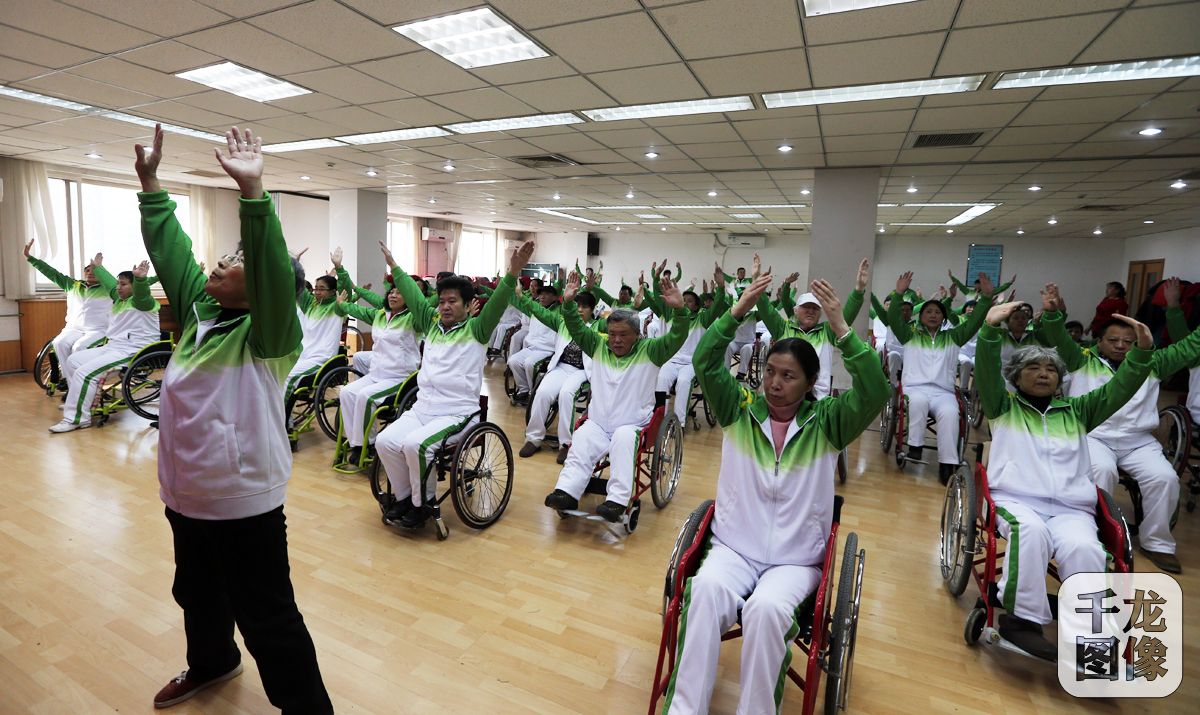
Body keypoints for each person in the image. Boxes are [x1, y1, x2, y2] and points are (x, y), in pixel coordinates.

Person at [135, 124, 332, 711]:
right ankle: (212, 662)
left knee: (267, 616)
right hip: (186, 492)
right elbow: (171, 252)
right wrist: (152, 188)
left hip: (243, 499)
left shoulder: (270, 334)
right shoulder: (200, 317)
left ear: (266, 288)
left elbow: (272, 269)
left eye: (236, 261)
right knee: (195, 591)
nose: (220, 264)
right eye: (223, 256)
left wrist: (255, 197)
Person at [663, 273, 889, 714]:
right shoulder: (739, 409)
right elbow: (706, 361)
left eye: (788, 376)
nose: (774, 382)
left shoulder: (828, 422)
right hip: (734, 548)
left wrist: (842, 329)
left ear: (810, 383)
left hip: (794, 560)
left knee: (767, 612)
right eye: (769, 371)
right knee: (705, 591)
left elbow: (875, 391)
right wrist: (736, 311)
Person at [976, 300, 1154, 659]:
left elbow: (1120, 388)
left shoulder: (1077, 411)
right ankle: (1021, 622)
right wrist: (990, 330)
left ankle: (1090, 638)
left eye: (1051, 369)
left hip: (1073, 508)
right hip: (1016, 501)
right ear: (1015, 375)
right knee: (1031, 533)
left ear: (1060, 379)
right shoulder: (1003, 406)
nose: (1044, 373)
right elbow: (985, 371)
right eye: (1033, 367)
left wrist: (1143, 352)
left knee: (1086, 549)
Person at [1042, 282, 1200, 574]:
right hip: (1093, 435)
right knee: (1102, 471)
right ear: (1098, 342)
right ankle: (1098, 535)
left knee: (1164, 477)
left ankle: (1157, 543)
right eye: (1113, 340)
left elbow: (1190, 346)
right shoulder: (1082, 359)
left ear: (1141, 342)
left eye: (1129, 342)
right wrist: (1053, 314)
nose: (1120, 346)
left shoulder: (1153, 362)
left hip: (1138, 440)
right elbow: (1059, 339)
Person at [375, 239, 533, 529]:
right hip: (423, 408)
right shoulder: (431, 323)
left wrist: (513, 272)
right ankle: (406, 497)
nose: (446, 306)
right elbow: (413, 295)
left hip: (458, 412)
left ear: (467, 304)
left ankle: (423, 506)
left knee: (416, 446)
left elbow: (498, 303)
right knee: (385, 441)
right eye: (443, 301)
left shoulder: (477, 329)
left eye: (453, 301)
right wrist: (394, 266)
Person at [543, 271, 690, 522]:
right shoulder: (598, 345)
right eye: (612, 334)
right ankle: (566, 491)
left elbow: (677, 336)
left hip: (632, 424)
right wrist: (567, 303)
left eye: (623, 335)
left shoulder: (652, 350)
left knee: (622, 440)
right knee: (582, 437)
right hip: (599, 422)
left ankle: (617, 501)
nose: (617, 340)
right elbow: (576, 327)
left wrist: (680, 312)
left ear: (637, 335)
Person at [888, 271, 994, 483]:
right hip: (914, 388)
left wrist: (986, 299)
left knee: (950, 414)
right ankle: (915, 446)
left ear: (944, 317)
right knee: (917, 402)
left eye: (938, 312)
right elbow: (893, 317)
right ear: (921, 316)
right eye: (928, 311)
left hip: (943, 391)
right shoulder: (910, 335)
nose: (933, 314)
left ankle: (947, 464)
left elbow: (974, 322)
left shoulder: (954, 337)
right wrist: (898, 293)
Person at [330, 246, 423, 468]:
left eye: (399, 292)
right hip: (378, 373)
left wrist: (393, 264)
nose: (393, 294)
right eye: (391, 291)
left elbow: (421, 301)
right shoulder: (381, 315)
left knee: (366, 398)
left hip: (400, 377)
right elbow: (354, 308)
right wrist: (340, 271)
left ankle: (366, 446)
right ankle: (354, 442)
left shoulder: (415, 318)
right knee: (348, 393)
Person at [51, 260, 161, 432]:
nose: (118, 287)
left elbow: (142, 293)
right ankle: (84, 402)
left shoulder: (144, 302)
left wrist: (140, 280)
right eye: (118, 284)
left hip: (134, 350)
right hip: (114, 347)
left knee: (84, 373)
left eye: (124, 284)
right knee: (73, 360)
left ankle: (77, 419)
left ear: (134, 287)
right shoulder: (119, 299)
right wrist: (98, 268)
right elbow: (110, 283)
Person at [755, 258, 869, 399]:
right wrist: (757, 283)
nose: (810, 311)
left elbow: (845, 318)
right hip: (784, 396)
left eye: (815, 308)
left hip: (817, 400)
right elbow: (765, 308)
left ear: (820, 313)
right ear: (796, 311)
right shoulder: (782, 328)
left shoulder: (827, 332)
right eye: (806, 307)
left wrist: (859, 290)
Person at [516, 287, 605, 462]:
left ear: (592, 310)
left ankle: (566, 444)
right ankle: (533, 439)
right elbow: (540, 312)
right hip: (561, 367)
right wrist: (521, 296)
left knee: (566, 394)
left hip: (582, 371)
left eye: (584, 307)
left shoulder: (597, 326)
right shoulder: (563, 322)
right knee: (542, 393)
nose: (579, 310)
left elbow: (616, 323)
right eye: (576, 305)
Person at [24, 241, 114, 385]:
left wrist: (101, 268)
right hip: (74, 328)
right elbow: (51, 273)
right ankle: (71, 382)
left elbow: (119, 283)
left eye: (95, 271)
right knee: (59, 343)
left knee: (79, 347)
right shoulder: (72, 285)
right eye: (88, 271)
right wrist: (31, 258)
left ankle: (82, 382)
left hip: (98, 330)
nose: (91, 273)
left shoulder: (109, 289)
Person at [649, 265, 728, 427]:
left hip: (691, 363)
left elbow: (719, 305)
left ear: (697, 306)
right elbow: (658, 296)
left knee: (684, 382)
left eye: (689, 301)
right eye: (683, 300)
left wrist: (721, 287)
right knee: (662, 379)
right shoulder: (673, 316)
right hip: (671, 360)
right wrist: (655, 278)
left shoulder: (703, 319)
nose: (685, 303)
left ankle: (679, 424)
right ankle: (658, 422)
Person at [283, 260, 342, 404]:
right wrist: (293, 265)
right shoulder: (310, 304)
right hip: (303, 355)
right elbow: (297, 285)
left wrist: (339, 268)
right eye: (316, 288)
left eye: (322, 289)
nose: (317, 292)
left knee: (287, 377)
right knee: (275, 373)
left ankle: (281, 421)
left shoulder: (337, 307)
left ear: (333, 291)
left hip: (321, 358)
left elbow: (346, 288)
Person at [506, 284, 561, 403]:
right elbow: (515, 302)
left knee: (530, 364)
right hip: (531, 347)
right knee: (513, 361)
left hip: (547, 349)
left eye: (547, 294)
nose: (542, 296)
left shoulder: (558, 312)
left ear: (555, 297)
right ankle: (524, 390)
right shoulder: (534, 308)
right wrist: (505, 287)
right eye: (541, 294)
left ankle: (534, 392)